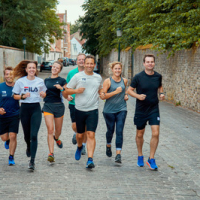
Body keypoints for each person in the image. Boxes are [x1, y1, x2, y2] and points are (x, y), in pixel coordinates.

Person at [127, 54, 165, 170]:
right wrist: (138, 96)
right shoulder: (138, 77)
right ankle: (140, 155)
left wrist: (161, 93)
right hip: (141, 109)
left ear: (154, 63)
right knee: (139, 134)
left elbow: (160, 87)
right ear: (144, 63)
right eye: (148, 62)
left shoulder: (158, 76)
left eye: (152, 62)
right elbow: (129, 90)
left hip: (153, 109)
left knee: (155, 133)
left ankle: (151, 158)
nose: (150, 64)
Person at [64, 55, 103, 168]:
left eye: (92, 63)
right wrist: (76, 91)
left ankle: (90, 159)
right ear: (84, 64)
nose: (90, 65)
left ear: (94, 65)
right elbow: (67, 91)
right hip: (79, 110)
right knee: (80, 135)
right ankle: (79, 146)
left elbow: (99, 89)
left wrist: (102, 93)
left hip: (93, 110)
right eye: (88, 63)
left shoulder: (98, 77)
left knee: (91, 134)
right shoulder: (77, 76)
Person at [13, 60, 46, 171]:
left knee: (34, 135)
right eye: (30, 68)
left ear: (36, 69)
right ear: (26, 70)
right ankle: (28, 146)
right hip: (25, 109)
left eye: (33, 68)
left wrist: (43, 94)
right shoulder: (20, 82)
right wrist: (22, 96)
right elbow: (15, 96)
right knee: (27, 135)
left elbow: (44, 93)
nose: (32, 69)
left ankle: (32, 161)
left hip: (36, 109)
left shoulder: (40, 81)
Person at [100, 62, 128, 164]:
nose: (117, 71)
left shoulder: (124, 81)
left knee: (119, 131)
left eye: (119, 69)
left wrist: (125, 95)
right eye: (115, 69)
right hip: (109, 110)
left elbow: (125, 91)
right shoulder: (108, 81)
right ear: (112, 70)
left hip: (122, 109)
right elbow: (103, 96)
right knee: (110, 131)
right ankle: (108, 145)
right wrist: (115, 92)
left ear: (121, 69)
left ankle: (118, 154)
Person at [42, 61, 67, 163]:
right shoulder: (46, 80)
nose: (55, 69)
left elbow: (66, 91)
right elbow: (43, 92)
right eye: (54, 67)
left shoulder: (62, 80)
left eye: (57, 68)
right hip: (48, 106)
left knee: (58, 131)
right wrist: (42, 94)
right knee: (50, 130)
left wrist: (62, 88)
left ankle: (56, 138)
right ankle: (51, 153)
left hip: (59, 106)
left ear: (60, 70)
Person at [66, 53, 87, 155]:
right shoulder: (72, 73)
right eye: (80, 59)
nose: (81, 61)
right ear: (77, 61)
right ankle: (76, 133)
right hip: (74, 102)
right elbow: (67, 88)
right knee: (75, 125)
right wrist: (67, 96)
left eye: (83, 59)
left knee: (86, 127)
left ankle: (83, 146)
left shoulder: (90, 73)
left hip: (86, 104)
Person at [0, 67, 20, 166]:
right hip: (2, 116)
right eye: (7, 74)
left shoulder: (18, 86)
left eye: (11, 74)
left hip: (15, 114)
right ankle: (6, 140)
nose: (9, 76)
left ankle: (11, 156)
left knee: (13, 135)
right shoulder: (0, 87)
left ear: (14, 75)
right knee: (4, 138)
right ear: (4, 75)